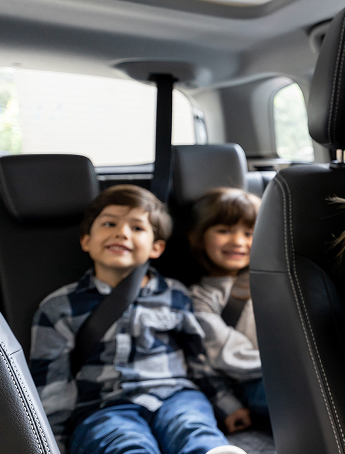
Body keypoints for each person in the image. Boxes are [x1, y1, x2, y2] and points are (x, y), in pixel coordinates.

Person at [29, 184, 248, 454]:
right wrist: (52, 442)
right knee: (124, 443)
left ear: (156, 248)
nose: (121, 232)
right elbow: (52, 385)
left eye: (137, 228)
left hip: (176, 395)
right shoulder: (58, 307)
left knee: (193, 429)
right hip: (103, 406)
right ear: (86, 240)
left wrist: (227, 403)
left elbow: (197, 360)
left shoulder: (175, 295)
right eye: (109, 224)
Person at [188, 188, 268, 433]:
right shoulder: (199, 297)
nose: (238, 241)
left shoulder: (273, 279)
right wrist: (295, 367)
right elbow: (226, 354)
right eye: (224, 231)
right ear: (199, 237)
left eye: (249, 233)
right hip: (252, 382)